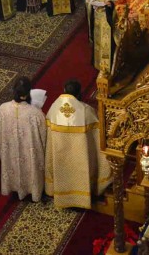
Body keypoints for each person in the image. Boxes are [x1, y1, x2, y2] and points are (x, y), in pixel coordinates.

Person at [45, 80, 112, 209]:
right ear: (79, 94)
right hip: (80, 156)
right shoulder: (86, 111)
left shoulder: (54, 109)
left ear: (64, 91)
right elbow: (98, 134)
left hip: (60, 156)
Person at [0, 77, 46, 201]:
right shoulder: (36, 113)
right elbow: (44, 137)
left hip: (10, 153)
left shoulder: (3, 108)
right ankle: (33, 190)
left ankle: (13, 186)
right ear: (29, 93)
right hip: (30, 155)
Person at [86, 0, 125, 71]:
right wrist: (92, 2)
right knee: (98, 43)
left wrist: (112, 5)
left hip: (111, 21)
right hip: (97, 19)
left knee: (110, 45)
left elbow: (125, 4)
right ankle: (98, 63)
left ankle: (111, 68)